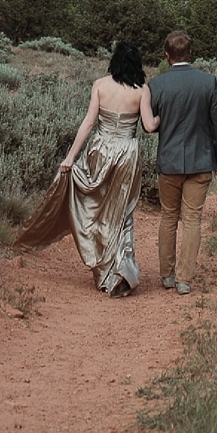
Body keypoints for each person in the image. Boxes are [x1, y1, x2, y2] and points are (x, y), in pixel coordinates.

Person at [15, 41, 160, 296]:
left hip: (100, 150)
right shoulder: (142, 90)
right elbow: (149, 126)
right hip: (126, 152)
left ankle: (102, 267)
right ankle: (120, 272)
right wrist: (162, 117)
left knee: (96, 206)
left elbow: (88, 123)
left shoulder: (100, 85)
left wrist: (70, 157)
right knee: (121, 211)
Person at [148, 30, 217, 295]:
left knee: (169, 216)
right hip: (201, 159)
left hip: (169, 161)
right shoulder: (208, 82)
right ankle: (184, 279)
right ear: (190, 53)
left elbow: (151, 124)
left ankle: (166, 275)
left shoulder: (157, 85)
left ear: (166, 55)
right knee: (192, 218)